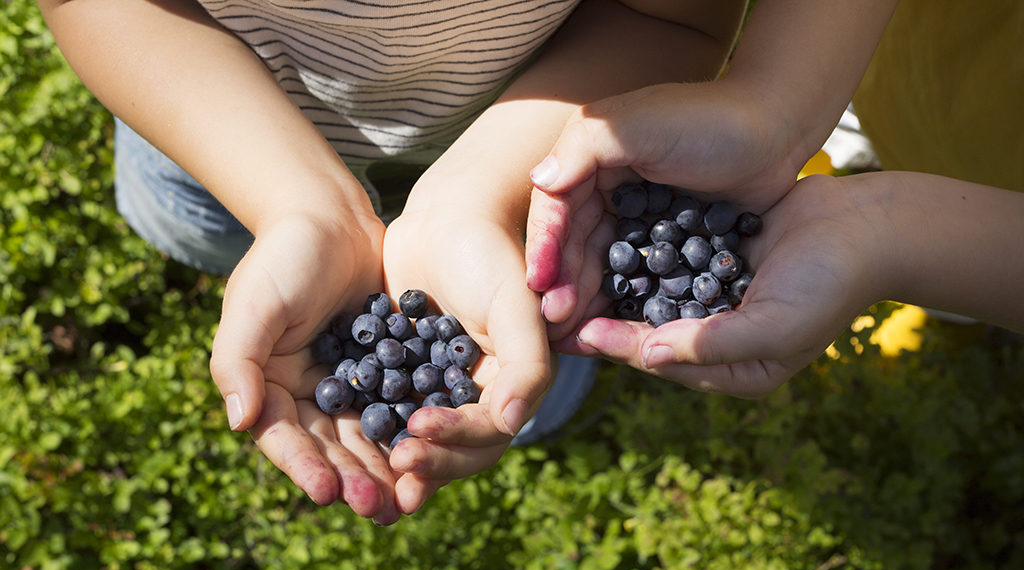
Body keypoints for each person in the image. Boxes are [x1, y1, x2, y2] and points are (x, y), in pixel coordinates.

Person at [37, 0, 749, 523]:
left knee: (534, 299)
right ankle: (270, 256)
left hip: (527, 133)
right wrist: (297, 204)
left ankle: (545, 353)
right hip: (214, 125)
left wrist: (476, 194)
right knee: (224, 235)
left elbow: (671, 16)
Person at [524, 0, 1024, 398]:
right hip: (909, 55)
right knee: (886, 122)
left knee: (953, 272)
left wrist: (890, 240)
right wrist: (780, 112)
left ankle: (948, 290)